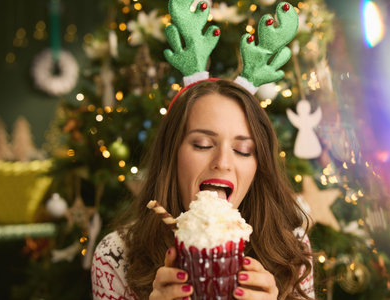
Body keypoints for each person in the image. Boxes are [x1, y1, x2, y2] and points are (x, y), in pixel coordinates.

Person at [91, 79, 315, 300]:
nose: (223, 162)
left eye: (244, 149)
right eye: (202, 145)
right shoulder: (115, 256)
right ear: (172, 154)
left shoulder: (291, 249)